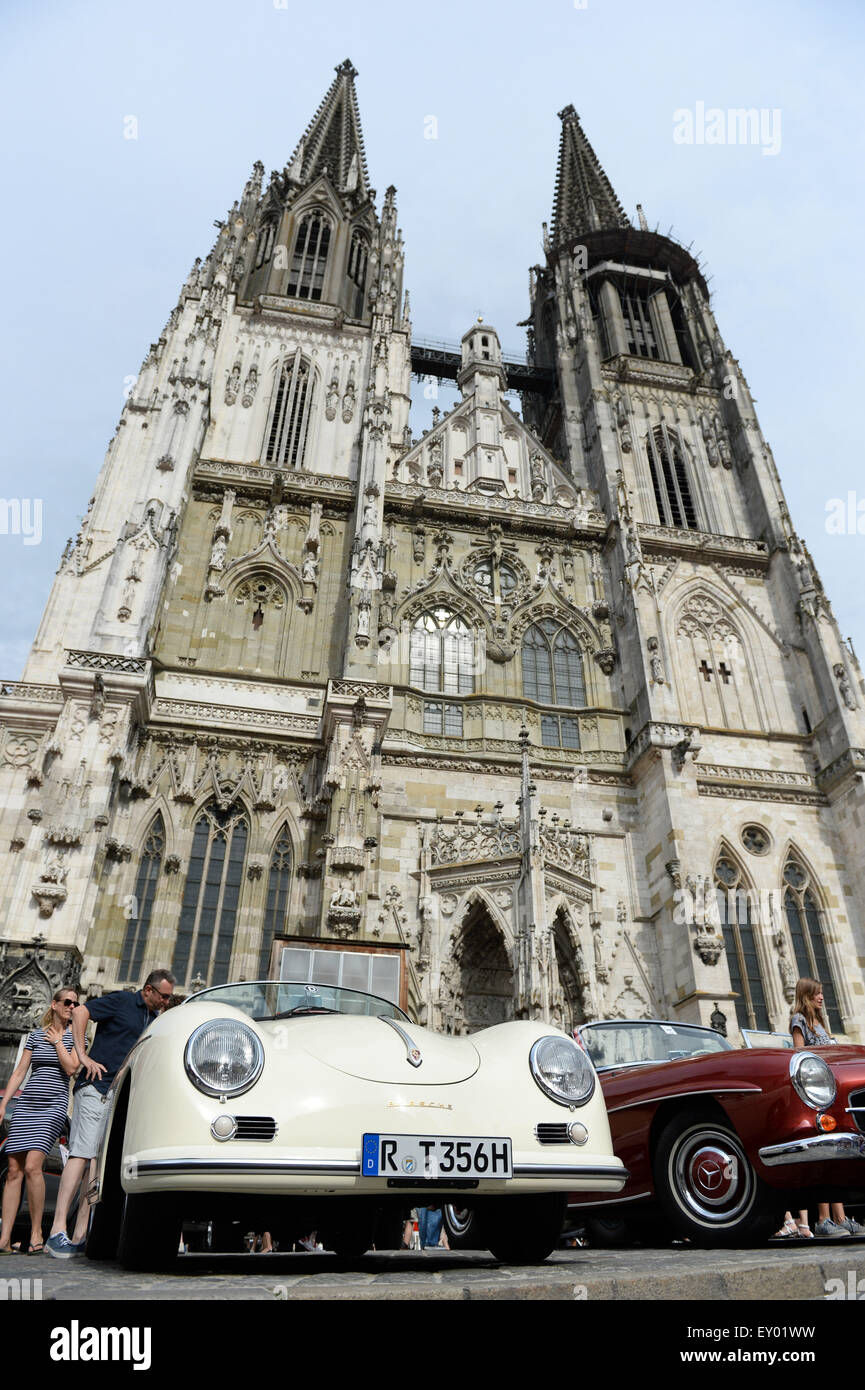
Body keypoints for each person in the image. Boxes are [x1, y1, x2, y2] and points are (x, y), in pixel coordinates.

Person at [43, 968, 175, 1259]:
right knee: (80, 1155)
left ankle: (80, 1236)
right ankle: (56, 1231)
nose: (167, 1001)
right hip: (95, 1087)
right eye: (164, 996)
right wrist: (82, 1055)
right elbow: (80, 1013)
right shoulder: (123, 1001)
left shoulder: (154, 1019)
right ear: (148, 990)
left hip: (116, 1097)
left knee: (95, 1166)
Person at [0, 987, 80, 1255]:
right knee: (14, 1169)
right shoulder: (35, 1036)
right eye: (67, 1002)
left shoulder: (76, 1037)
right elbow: (20, 1072)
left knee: (34, 1165)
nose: (72, 1007)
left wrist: (58, 1041)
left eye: (75, 1004)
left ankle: (36, 1234)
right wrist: (3, 1104)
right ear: (55, 1005)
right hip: (27, 1105)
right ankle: (4, 1239)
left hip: (52, 1106)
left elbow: (71, 1068)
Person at [788, 978, 861, 1240]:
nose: (821, 997)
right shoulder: (799, 1020)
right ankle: (823, 1219)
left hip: (833, 1090)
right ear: (806, 996)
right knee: (823, 1155)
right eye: (817, 993)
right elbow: (800, 1054)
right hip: (817, 1093)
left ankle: (840, 1217)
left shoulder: (819, 1022)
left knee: (836, 1156)